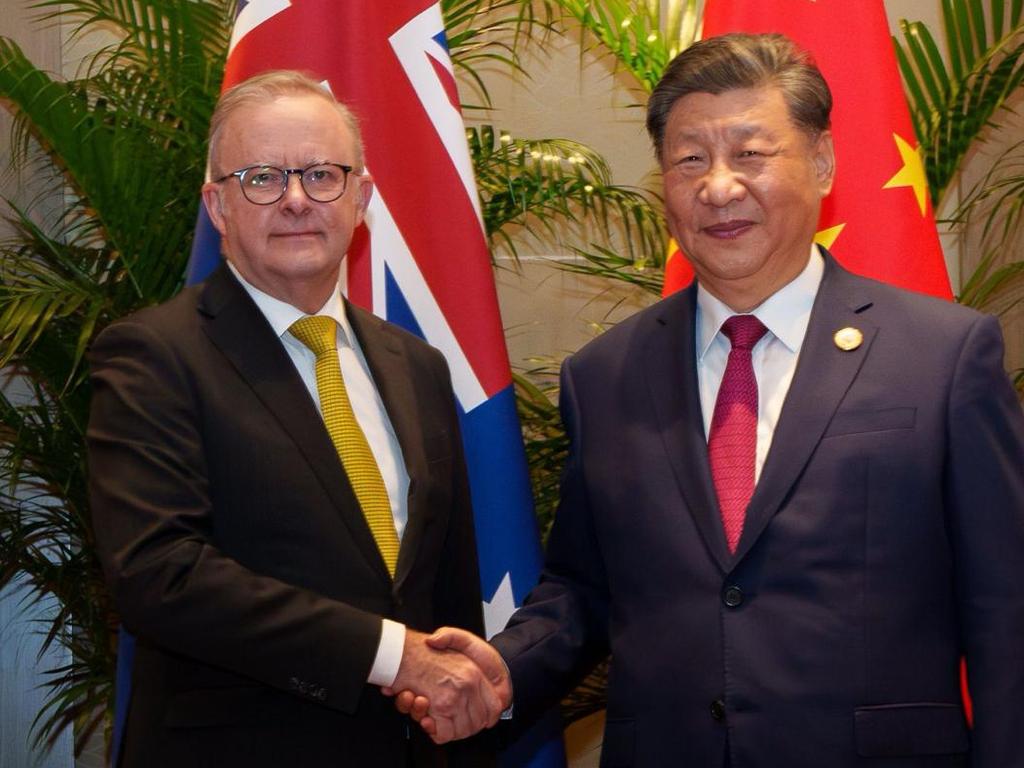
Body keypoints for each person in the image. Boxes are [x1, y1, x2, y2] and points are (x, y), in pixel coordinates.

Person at [397, 33, 1024, 767]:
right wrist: (504, 669)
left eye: (751, 154)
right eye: (690, 159)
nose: (719, 187)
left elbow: (1006, 611)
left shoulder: (943, 356)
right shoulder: (604, 375)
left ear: (822, 162)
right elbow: (584, 587)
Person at [87, 70, 507, 767]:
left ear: (362, 198)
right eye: (261, 178)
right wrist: (389, 655)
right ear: (217, 206)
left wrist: (454, 686)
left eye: (321, 174)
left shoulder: (418, 366)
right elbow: (161, 576)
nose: (295, 201)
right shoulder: (153, 357)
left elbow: (446, 589)